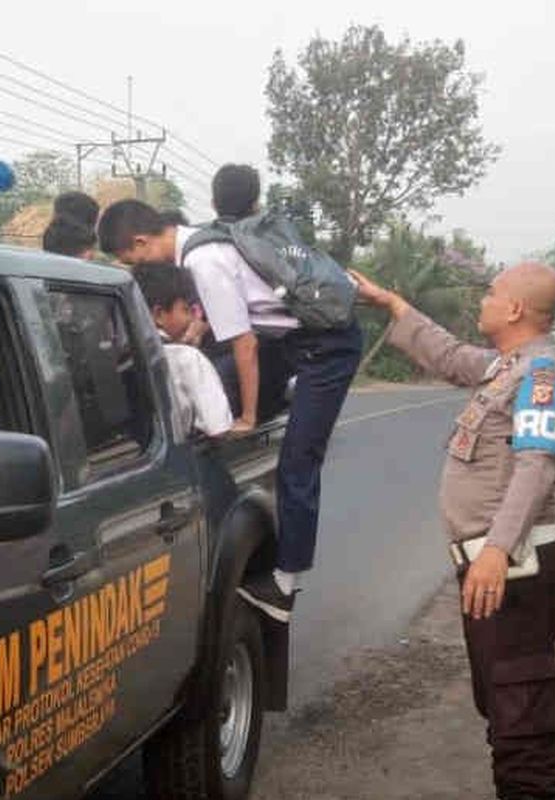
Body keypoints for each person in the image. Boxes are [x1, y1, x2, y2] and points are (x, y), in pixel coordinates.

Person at [97, 165, 363, 623]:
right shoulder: (202, 240)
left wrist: (247, 417)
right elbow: (220, 320)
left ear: (141, 244)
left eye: (131, 261)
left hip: (325, 350)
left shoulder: (202, 258)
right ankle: (277, 393)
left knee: (298, 464)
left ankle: (285, 585)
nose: (137, 270)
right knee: (214, 375)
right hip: (291, 342)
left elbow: (243, 343)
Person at [352, 263, 555, 800]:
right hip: (497, 569)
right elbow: (450, 356)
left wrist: (497, 549)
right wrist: (393, 306)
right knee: (503, 712)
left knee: (522, 727)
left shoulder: (541, 375)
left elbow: (535, 466)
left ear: (516, 309)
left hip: (515, 572)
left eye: (492, 294)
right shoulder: (509, 365)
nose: (483, 302)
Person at [132, 263, 233, 437]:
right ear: (158, 315)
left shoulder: (130, 359)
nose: (192, 319)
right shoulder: (187, 358)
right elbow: (217, 425)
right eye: (186, 310)